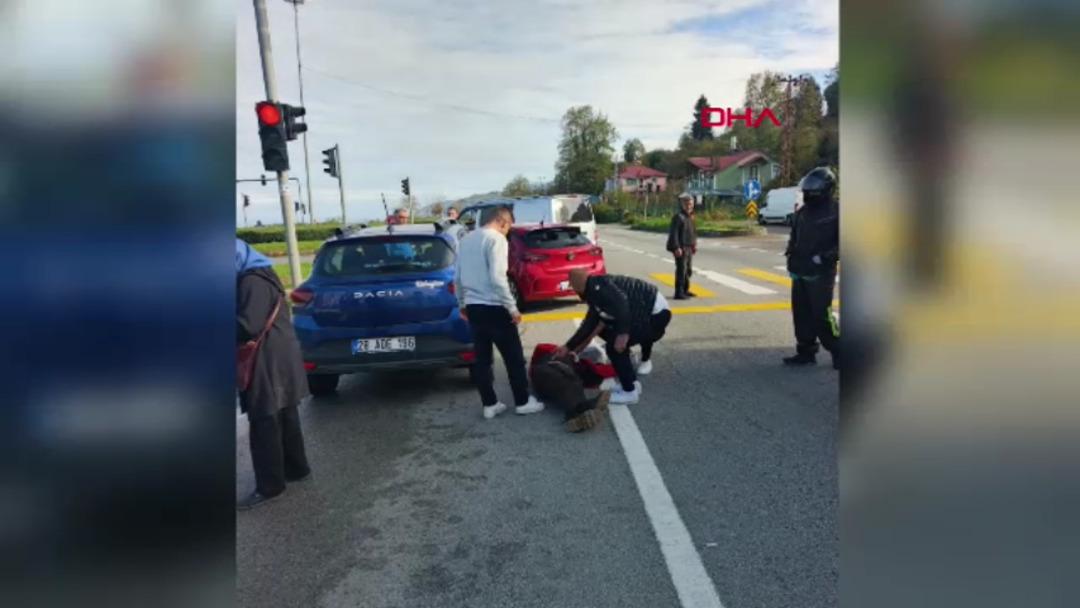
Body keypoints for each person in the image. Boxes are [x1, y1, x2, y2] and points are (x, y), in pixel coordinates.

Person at [236, 239, 311, 510]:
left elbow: (248, 325)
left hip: (266, 360)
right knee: (284, 414)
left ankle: (270, 486)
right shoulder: (261, 274)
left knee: (264, 419)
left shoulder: (250, 282)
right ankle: (296, 468)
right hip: (279, 354)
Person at [454, 206, 545, 419]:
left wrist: (462, 304)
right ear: (502, 221)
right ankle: (522, 401)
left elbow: (457, 278)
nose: (508, 231)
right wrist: (512, 307)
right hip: (495, 307)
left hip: (474, 308)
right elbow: (498, 278)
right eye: (509, 226)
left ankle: (490, 404)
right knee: (513, 357)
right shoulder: (496, 240)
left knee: (482, 359)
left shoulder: (465, 240)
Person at [556, 269, 672, 404]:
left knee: (614, 347)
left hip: (656, 315)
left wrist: (623, 334)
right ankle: (632, 383)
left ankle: (630, 392)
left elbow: (622, 302)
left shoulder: (600, 289)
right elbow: (589, 324)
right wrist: (568, 346)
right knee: (611, 337)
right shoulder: (594, 289)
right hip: (647, 310)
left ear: (578, 287)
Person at [783, 167, 840, 369]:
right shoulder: (802, 212)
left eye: (813, 188)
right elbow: (794, 237)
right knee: (801, 313)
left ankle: (839, 351)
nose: (809, 191)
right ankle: (806, 351)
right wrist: (790, 255)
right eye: (807, 188)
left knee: (822, 315)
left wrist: (825, 257)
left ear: (826, 189)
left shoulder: (837, 211)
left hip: (821, 272)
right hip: (800, 269)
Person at [666, 193, 698, 300]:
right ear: (682, 204)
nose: (689, 205)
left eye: (691, 203)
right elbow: (673, 233)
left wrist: (694, 245)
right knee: (681, 270)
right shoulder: (678, 217)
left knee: (688, 270)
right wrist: (676, 247)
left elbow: (692, 232)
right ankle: (678, 292)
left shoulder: (691, 216)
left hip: (689, 247)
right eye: (687, 203)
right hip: (681, 247)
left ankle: (685, 289)